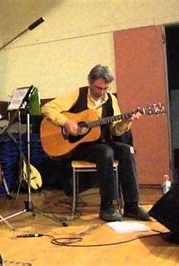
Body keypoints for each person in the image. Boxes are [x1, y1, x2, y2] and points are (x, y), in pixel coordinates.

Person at [41, 64, 151, 222]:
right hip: (77, 146)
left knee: (127, 150)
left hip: (102, 142)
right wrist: (66, 122)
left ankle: (131, 206)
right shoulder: (77, 94)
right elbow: (47, 108)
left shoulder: (111, 99)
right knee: (105, 152)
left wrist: (126, 122)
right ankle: (107, 205)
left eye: (105, 88)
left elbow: (115, 131)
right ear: (89, 82)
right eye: (98, 88)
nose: (102, 92)